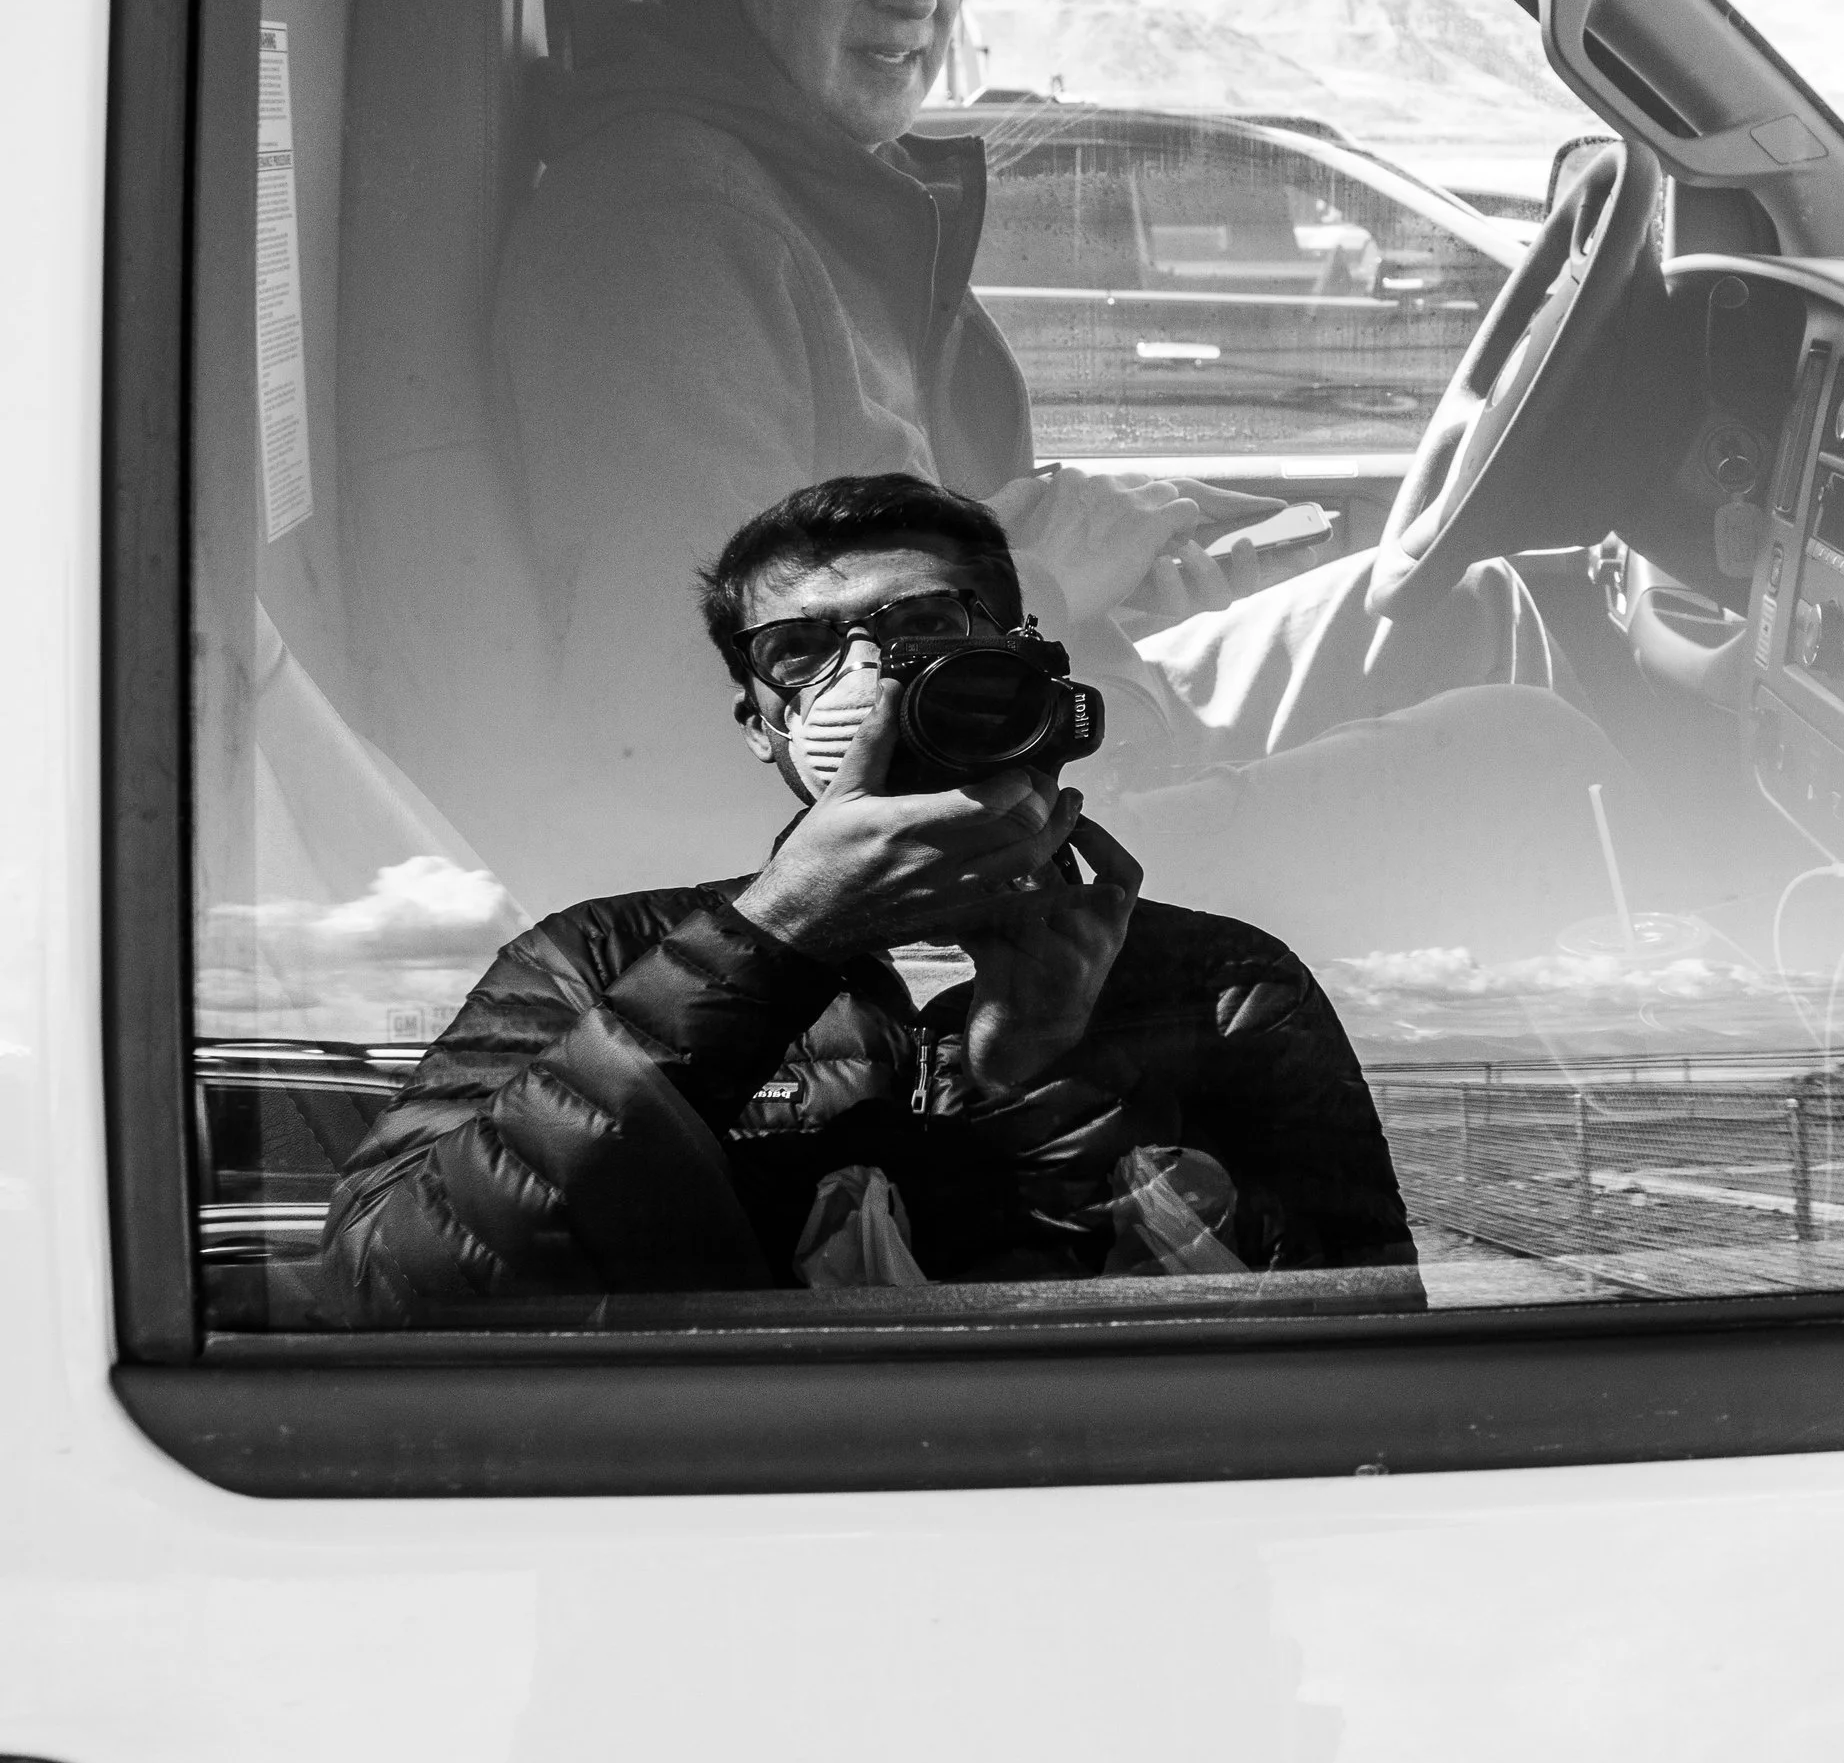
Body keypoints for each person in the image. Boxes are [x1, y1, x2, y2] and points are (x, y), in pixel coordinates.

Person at [495, 0, 1616, 938]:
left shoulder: (818, 190)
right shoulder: (670, 226)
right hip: (941, 867)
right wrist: (1041, 592)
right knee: (1532, 753)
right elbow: (698, 717)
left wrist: (1098, 592)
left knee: (1469, 606)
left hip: (1019, 728)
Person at [322, 474, 1416, 1325]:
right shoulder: (594, 959)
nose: (871, 677)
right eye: (800, 648)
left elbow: (1339, 1332)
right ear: (757, 723)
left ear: (1025, 672)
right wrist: (772, 940)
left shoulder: (1219, 983)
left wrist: (1034, 1075)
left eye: (921, 628)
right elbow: (388, 1284)